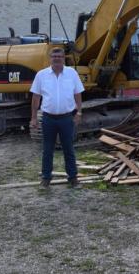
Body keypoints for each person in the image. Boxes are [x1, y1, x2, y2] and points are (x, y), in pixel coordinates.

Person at [29, 47, 85, 188]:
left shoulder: (72, 73)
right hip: (48, 119)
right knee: (47, 149)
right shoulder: (41, 75)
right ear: (50, 58)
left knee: (68, 149)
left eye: (59, 56)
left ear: (63, 58)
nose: (57, 58)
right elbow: (36, 98)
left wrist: (79, 112)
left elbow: (78, 94)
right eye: (54, 56)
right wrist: (34, 118)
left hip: (67, 118)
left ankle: (72, 178)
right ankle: (46, 178)